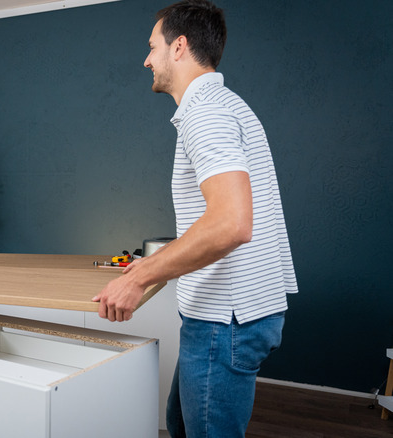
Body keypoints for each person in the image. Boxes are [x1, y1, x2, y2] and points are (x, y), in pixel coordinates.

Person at [92, 1, 298, 436]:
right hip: (235, 316)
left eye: (153, 47)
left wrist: (139, 277)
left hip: (226, 322)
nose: (147, 59)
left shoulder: (206, 111)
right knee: (180, 424)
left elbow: (231, 223)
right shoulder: (226, 105)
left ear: (179, 46)